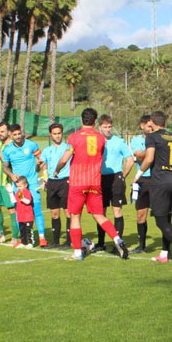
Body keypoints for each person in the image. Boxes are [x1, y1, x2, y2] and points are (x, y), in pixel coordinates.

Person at [55, 108, 128, 261]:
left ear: (82, 120)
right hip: (95, 182)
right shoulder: (101, 139)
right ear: (95, 122)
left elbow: (64, 158)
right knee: (99, 215)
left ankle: (77, 252)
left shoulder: (74, 138)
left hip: (78, 183)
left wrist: (56, 170)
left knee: (75, 216)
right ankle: (116, 239)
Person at [134, 111, 172, 265]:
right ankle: (164, 253)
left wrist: (138, 173)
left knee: (160, 220)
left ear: (152, 122)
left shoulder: (152, 136)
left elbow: (149, 158)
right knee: (167, 219)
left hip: (160, 181)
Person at [92, 114, 134, 254]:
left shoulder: (119, 141)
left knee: (117, 211)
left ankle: (118, 243)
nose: (108, 129)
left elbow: (130, 159)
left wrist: (123, 175)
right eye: (105, 127)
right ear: (99, 127)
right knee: (101, 212)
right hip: (100, 179)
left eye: (110, 126)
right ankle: (101, 243)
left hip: (116, 178)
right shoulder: (96, 141)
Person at [1, 124, 47, 247]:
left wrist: (44, 173)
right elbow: (4, 166)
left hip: (32, 183)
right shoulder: (7, 149)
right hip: (18, 185)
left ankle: (42, 237)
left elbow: (41, 160)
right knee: (20, 212)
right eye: (14, 134)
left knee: (36, 209)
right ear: (11, 135)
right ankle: (24, 238)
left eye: (19, 134)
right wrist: (11, 175)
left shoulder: (31, 145)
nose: (17, 136)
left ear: (22, 133)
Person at [0, 122, 20, 244]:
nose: (0, 134)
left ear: (8, 132)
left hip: (8, 183)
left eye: (2, 131)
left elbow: (9, 162)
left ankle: (16, 236)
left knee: (11, 209)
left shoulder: (12, 146)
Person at [40, 123, 72, 249]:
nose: (57, 136)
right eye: (55, 134)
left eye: (59, 133)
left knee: (68, 212)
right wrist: (40, 167)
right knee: (54, 213)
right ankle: (55, 241)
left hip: (65, 181)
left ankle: (69, 241)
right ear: (50, 135)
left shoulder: (68, 148)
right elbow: (42, 165)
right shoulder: (47, 150)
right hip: (52, 182)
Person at [129, 115, 153, 253]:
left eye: (152, 126)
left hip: (156, 179)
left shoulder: (157, 138)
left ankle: (166, 247)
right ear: (142, 126)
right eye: (148, 126)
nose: (150, 128)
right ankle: (142, 246)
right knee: (140, 214)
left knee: (161, 214)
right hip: (142, 179)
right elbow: (139, 156)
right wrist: (151, 149)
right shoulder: (136, 140)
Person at [9, 177, 35, 249]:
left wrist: (22, 198)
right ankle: (23, 242)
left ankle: (30, 242)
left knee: (28, 230)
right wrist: (10, 193)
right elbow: (14, 201)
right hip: (21, 216)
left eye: (20, 186)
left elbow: (28, 201)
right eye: (17, 186)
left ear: (25, 185)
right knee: (22, 230)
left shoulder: (27, 192)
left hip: (28, 216)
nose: (18, 188)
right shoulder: (18, 193)